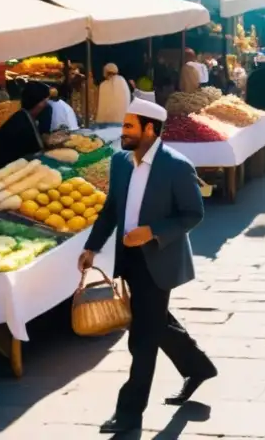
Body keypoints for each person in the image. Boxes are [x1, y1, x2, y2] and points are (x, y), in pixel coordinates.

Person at [78, 98, 215, 434]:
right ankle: (197, 366)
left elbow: (193, 214)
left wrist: (152, 232)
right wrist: (92, 246)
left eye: (129, 127)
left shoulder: (177, 166)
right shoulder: (121, 162)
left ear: (150, 129)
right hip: (128, 261)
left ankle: (129, 414)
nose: (122, 132)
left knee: (142, 338)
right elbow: (112, 209)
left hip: (160, 259)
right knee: (152, 321)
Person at [0, 82, 50, 176]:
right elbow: (34, 155)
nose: (48, 104)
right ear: (41, 104)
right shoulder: (23, 124)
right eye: (46, 101)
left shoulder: (21, 116)